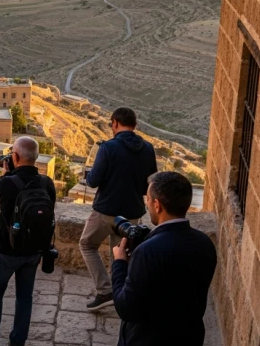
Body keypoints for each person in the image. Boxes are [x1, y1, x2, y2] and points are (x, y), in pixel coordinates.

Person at [0, 136, 56, 346]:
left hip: (6, 250)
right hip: (34, 250)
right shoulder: (46, 183)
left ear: (15, 157)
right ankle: (18, 341)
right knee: (25, 297)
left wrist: (5, 175)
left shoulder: (8, 182)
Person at [111, 171, 217, 345]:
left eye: (148, 200)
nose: (147, 205)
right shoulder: (204, 243)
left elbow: (126, 308)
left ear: (157, 205)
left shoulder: (147, 252)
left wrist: (120, 263)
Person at [81, 107, 157, 311]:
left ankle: (105, 291)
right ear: (134, 125)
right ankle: (121, 294)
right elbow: (149, 185)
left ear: (114, 123)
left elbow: (93, 181)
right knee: (121, 254)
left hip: (106, 211)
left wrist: (89, 175)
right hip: (132, 213)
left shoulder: (108, 147)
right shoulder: (148, 149)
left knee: (87, 244)